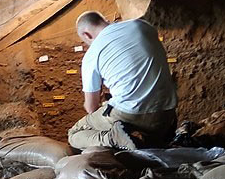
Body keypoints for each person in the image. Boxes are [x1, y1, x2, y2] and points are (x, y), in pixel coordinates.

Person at [67, 11, 178, 150]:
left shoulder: (92, 54)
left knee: (74, 133)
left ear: (86, 35)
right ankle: (154, 139)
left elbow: (91, 107)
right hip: (167, 114)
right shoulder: (142, 26)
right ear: (105, 20)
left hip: (132, 115)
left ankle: (113, 138)